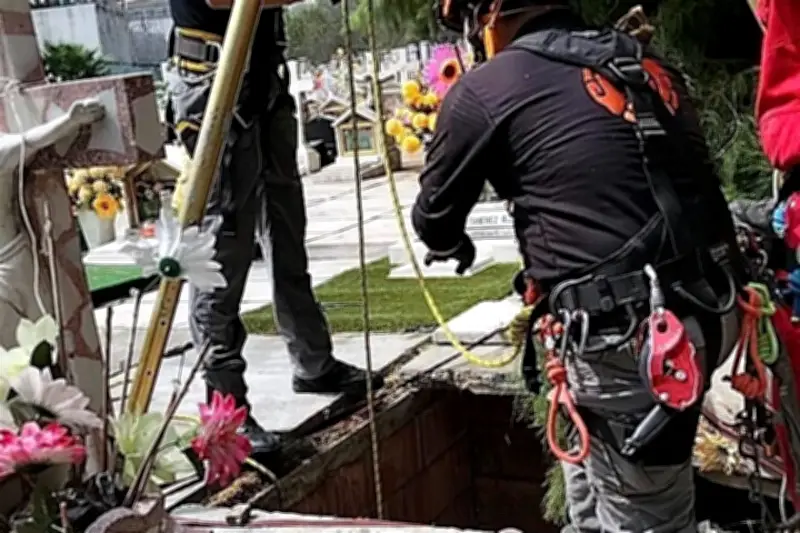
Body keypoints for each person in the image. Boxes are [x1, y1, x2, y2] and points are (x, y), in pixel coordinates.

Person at [413, 1, 746, 531]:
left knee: (648, 521)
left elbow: (433, 219)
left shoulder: (487, 88)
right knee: (592, 495)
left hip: (634, 340)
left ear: (491, 14)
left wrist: (455, 242)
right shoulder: (640, 59)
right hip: (709, 307)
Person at [163, 0, 383, 455]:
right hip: (214, 83)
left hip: (261, 81)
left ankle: (313, 362)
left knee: (286, 234)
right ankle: (226, 409)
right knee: (221, 254)